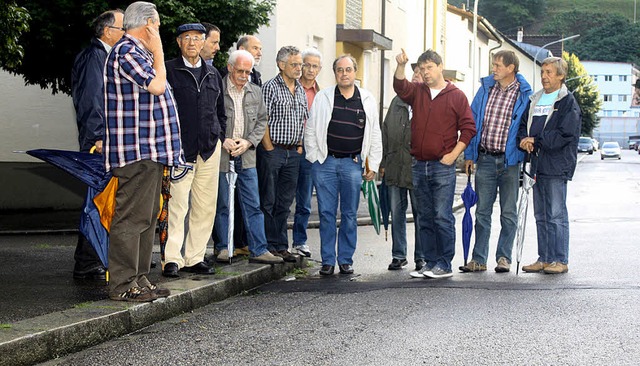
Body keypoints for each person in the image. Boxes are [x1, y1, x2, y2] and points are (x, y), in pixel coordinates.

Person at [104, 1, 181, 301]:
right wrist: (160, 52)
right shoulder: (127, 51)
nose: (159, 31)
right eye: (157, 26)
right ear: (148, 24)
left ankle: (139, 279)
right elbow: (157, 86)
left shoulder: (138, 53)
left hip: (150, 151)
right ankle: (123, 286)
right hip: (136, 151)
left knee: (147, 217)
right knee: (131, 218)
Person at [393, 49, 476, 279]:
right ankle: (429, 263)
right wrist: (401, 65)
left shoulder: (456, 95)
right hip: (419, 164)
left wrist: (453, 155)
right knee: (425, 217)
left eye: (429, 67)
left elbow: (469, 128)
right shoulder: (418, 92)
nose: (425, 73)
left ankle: (444, 264)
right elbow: (400, 87)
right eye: (421, 69)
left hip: (442, 166)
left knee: (442, 216)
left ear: (440, 67)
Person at [305, 54, 382, 275]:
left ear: (355, 72)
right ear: (335, 73)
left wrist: (373, 165)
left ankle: (345, 259)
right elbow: (311, 129)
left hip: (352, 165)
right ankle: (328, 260)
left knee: (349, 214)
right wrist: (314, 157)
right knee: (327, 213)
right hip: (325, 163)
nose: (344, 74)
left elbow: (374, 134)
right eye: (340, 70)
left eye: (348, 69)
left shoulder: (366, 100)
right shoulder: (323, 97)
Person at [162, 23, 226, 277]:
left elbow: (220, 112)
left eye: (197, 38)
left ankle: (195, 256)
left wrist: (218, 135)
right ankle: (172, 259)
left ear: (203, 42)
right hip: (180, 150)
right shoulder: (168, 71)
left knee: (205, 206)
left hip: (209, 149)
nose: (192, 43)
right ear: (178, 42)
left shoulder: (213, 74)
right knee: (177, 206)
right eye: (186, 38)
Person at [460, 50, 532, 273]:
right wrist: (470, 155)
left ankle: (504, 257)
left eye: (498, 65)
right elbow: (472, 122)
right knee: (482, 212)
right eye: (494, 64)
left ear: (511, 68)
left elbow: (526, 127)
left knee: (509, 213)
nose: (494, 68)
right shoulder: (485, 89)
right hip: (486, 159)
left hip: (510, 162)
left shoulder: (524, 95)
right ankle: (478, 259)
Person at [213, 50, 284, 265]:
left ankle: (259, 249)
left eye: (248, 72)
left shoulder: (255, 91)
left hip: (247, 155)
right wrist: (223, 139)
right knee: (223, 204)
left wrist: (249, 142)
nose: (244, 76)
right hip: (224, 155)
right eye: (240, 71)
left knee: (253, 204)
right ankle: (223, 248)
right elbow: (211, 118)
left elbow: (262, 121)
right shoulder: (217, 89)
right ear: (230, 68)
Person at [70, 9, 124, 281]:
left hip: (102, 141)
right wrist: (98, 138)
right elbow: (92, 101)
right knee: (97, 202)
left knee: (101, 201)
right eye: (122, 29)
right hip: (99, 144)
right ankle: (87, 262)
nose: (125, 34)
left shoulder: (103, 56)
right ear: (107, 31)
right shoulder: (95, 58)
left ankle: (90, 260)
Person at [518, 56, 581, 274]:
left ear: (561, 76)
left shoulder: (567, 102)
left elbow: (565, 134)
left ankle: (560, 260)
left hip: (556, 165)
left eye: (549, 72)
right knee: (541, 215)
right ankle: (544, 258)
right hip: (536, 164)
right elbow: (523, 125)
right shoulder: (535, 99)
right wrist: (523, 140)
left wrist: (537, 141)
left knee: (556, 214)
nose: (544, 76)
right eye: (543, 72)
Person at [259, 46, 308, 262]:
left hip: (293, 153)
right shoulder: (270, 87)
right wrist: (269, 148)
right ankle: (269, 245)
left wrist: (298, 147)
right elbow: (263, 120)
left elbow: (301, 121)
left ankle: (281, 245)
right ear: (281, 65)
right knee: (268, 200)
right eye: (295, 64)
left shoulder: (300, 90)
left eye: (300, 64)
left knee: (285, 202)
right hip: (274, 151)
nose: (299, 68)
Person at [382, 63, 424, 271]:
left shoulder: (426, 102)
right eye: (415, 73)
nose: (417, 76)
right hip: (395, 165)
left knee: (420, 214)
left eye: (421, 73)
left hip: (417, 167)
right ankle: (399, 255)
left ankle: (421, 257)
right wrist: (383, 161)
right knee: (396, 212)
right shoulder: (396, 102)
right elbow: (385, 131)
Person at [292, 47, 322, 258]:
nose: (310, 70)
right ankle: (275, 242)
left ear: (319, 69)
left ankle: (300, 241)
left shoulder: (322, 95)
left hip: (310, 153)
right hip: (290, 148)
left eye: (314, 66)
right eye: (307, 65)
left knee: (304, 200)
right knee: (282, 200)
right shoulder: (292, 88)